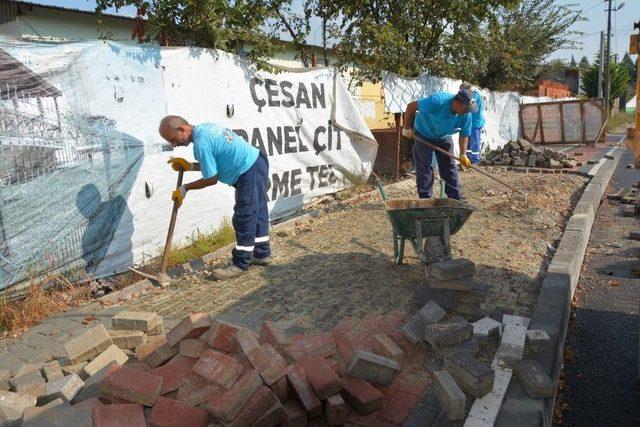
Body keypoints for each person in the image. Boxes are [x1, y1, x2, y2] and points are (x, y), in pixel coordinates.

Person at [158, 115, 270, 280]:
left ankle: (240, 263)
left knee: (244, 216)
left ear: (182, 129)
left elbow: (211, 178)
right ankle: (261, 254)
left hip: (247, 170)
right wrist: (189, 166)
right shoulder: (205, 128)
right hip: (256, 162)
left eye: (174, 139)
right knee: (257, 210)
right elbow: (214, 165)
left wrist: (185, 188)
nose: (175, 144)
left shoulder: (201, 144)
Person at [401, 89, 477, 200]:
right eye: (465, 109)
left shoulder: (466, 115)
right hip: (423, 133)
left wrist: (463, 154)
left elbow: (464, 134)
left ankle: (455, 198)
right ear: (457, 104)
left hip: (444, 136)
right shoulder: (437, 101)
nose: (467, 112)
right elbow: (411, 107)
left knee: (449, 166)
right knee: (425, 167)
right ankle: (425, 199)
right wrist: (406, 128)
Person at [460, 82, 484, 164]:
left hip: (476, 123)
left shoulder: (474, 95)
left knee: (475, 142)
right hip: (470, 122)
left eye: (462, 91)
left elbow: (471, 106)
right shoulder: (470, 95)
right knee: (468, 142)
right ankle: (468, 158)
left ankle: (475, 160)